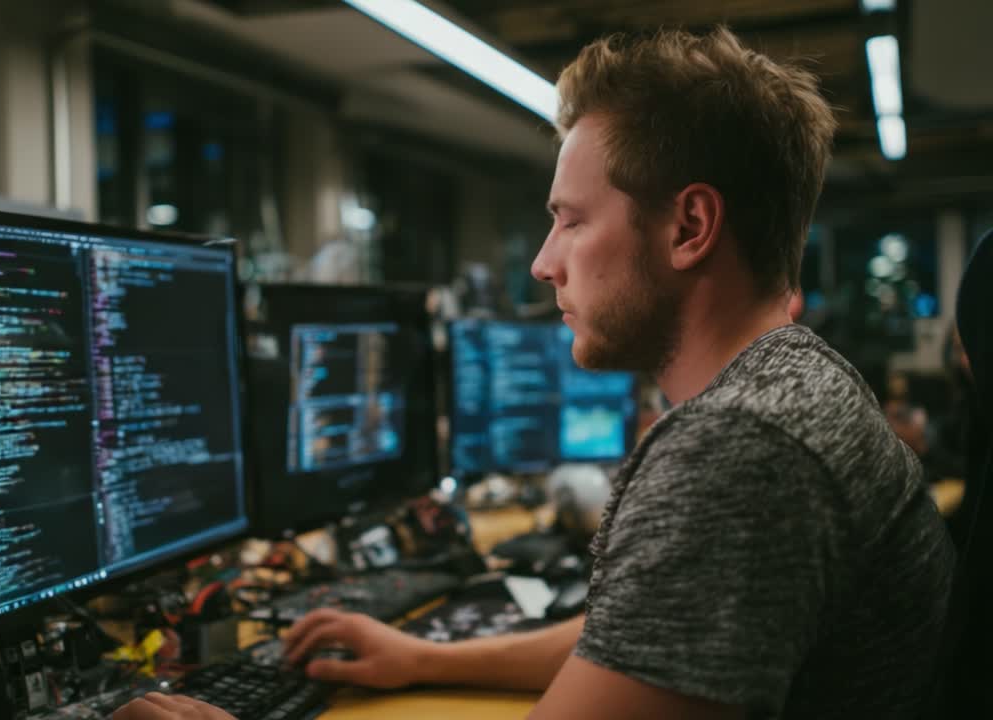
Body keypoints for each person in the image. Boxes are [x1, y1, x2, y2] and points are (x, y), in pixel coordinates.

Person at [114, 27, 954, 720]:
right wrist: (423, 656)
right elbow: (641, 641)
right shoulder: (800, 382)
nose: (545, 265)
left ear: (690, 226)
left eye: (572, 221)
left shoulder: (740, 450)